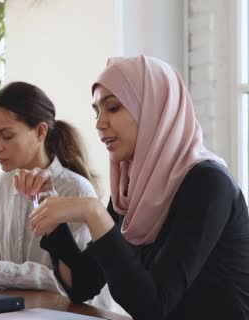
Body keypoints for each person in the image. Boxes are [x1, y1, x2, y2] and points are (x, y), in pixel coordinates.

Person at [32, 55, 249, 319]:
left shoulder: (208, 183)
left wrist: (94, 213)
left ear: (155, 109)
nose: (100, 123)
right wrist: (51, 217)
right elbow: (82, 284)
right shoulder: (132, 187)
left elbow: (153, 306)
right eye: (97, 111)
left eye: (112, 108)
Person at [0, 81, 119, 312]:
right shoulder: (3, 184)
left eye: (6, 136)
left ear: (40, 132)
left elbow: (69, 281)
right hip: (22, 311)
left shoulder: (76, 191)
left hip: (72, 313)